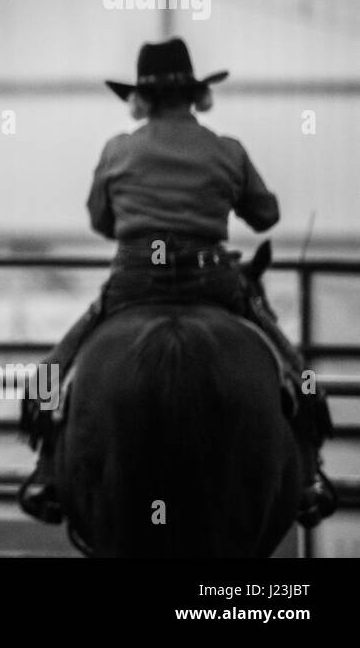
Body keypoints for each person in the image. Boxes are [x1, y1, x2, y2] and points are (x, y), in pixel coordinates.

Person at [18, 37, 335, 527]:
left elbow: (101, 222)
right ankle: (311, 477)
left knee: (50, 374)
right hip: (213, 281)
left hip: (133, 283)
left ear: (139, 99)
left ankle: (46, 474)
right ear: (196, 94)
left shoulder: (117, 149)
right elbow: (266, 215)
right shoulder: (225, 149)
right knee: (298, 373)